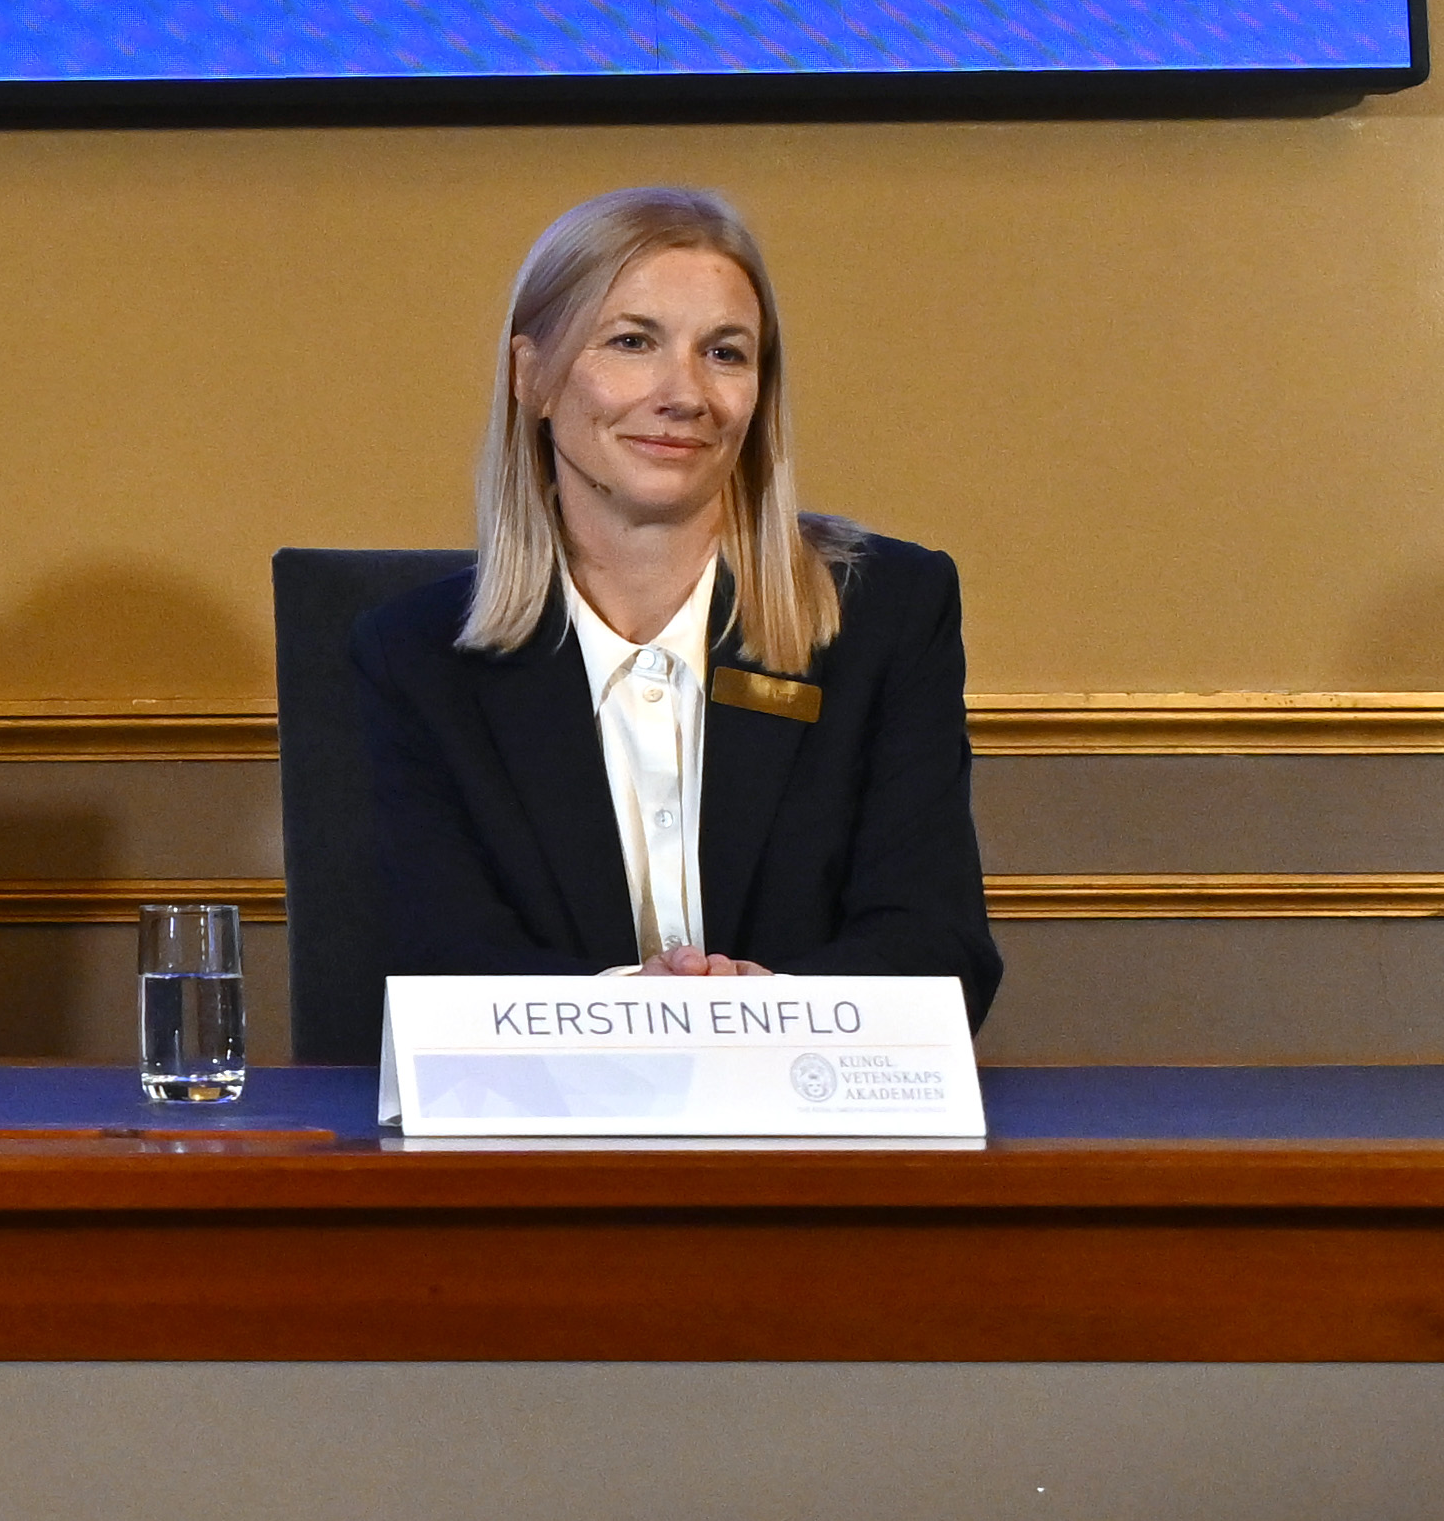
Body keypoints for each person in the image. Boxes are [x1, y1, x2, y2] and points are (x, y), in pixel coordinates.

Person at [327, 181, 998, 1013]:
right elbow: (438, 963)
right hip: (538, 1135)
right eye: (633, 341)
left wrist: (765, 1009)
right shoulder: (414, 658)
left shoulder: (890, 613)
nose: (685, 394)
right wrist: (638, 1011)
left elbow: (939, 950)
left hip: (812, 1125)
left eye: (725, 353)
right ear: (531, 377)